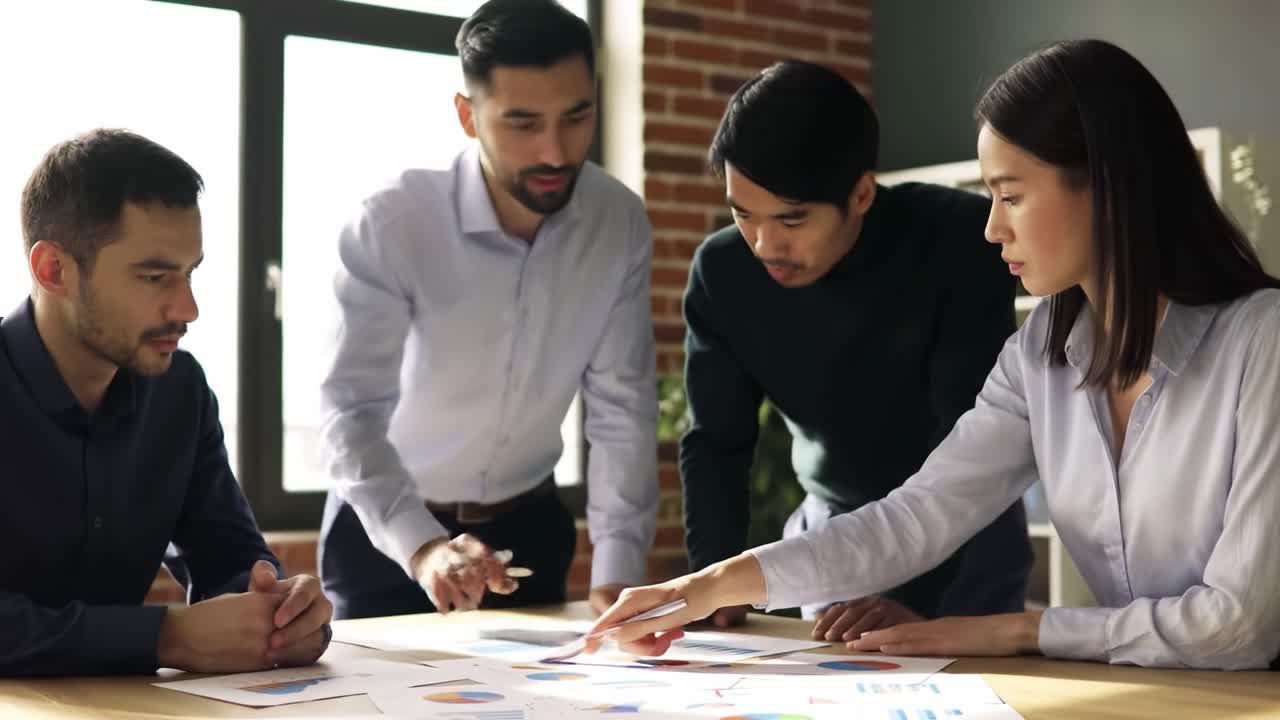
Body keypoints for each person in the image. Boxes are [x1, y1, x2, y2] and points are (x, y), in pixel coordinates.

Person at [589, 39, 1280, 671]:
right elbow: (918, 515)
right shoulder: (1041, 354)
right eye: (987, 196)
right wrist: (704, 585)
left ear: (1105, 185)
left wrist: (1017, 629)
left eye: (1010, 195)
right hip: (1147, 693)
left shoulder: (1263, 343)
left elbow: (1239, 628)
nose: (991, 226)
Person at [318, 0, 657, 620]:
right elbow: (350, 412)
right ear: (467, 116)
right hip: (388, 537)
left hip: (529, 531)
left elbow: (621, 407)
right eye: (523, 124)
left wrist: (618, 571)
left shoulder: (619, 223)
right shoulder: (394, 224)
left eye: (576, 116)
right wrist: (422, 548)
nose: (555, 152)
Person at [679, 60, 1032, 635]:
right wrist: (711, 582)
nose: (766, 245)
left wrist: (917, 600)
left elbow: (966, 438)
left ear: (862, 193)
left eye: (792, 219)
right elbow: (717, 441)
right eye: (744, 215)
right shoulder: (722, 272)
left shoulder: (956, 241)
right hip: (833, 526)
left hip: (967, 525)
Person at [0, 129, 333, 676]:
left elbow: (230, 557)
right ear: (53, 270)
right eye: (154, 276)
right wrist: (166, 638)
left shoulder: (179, 391)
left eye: (190, 273)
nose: (188, 308)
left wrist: (281, 610)